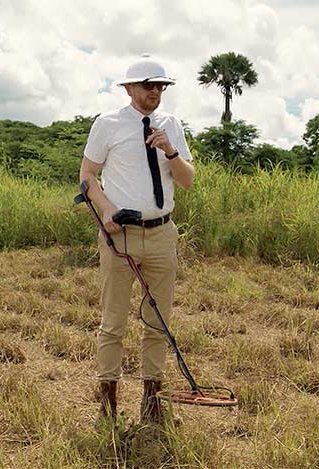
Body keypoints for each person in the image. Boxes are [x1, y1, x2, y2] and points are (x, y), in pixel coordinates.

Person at [79, 54, 194, 422]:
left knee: (158, 320)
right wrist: (107, 210)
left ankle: (151, 399)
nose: (155, 92)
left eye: (160, 86)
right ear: (129, 89)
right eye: (148, 86)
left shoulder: (171, 125)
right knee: (113, 322)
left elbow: (187, 180)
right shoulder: (108, 124)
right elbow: (87, 177)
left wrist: (169, 150)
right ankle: (108, 400)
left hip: (162, 233)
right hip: (121, 235)